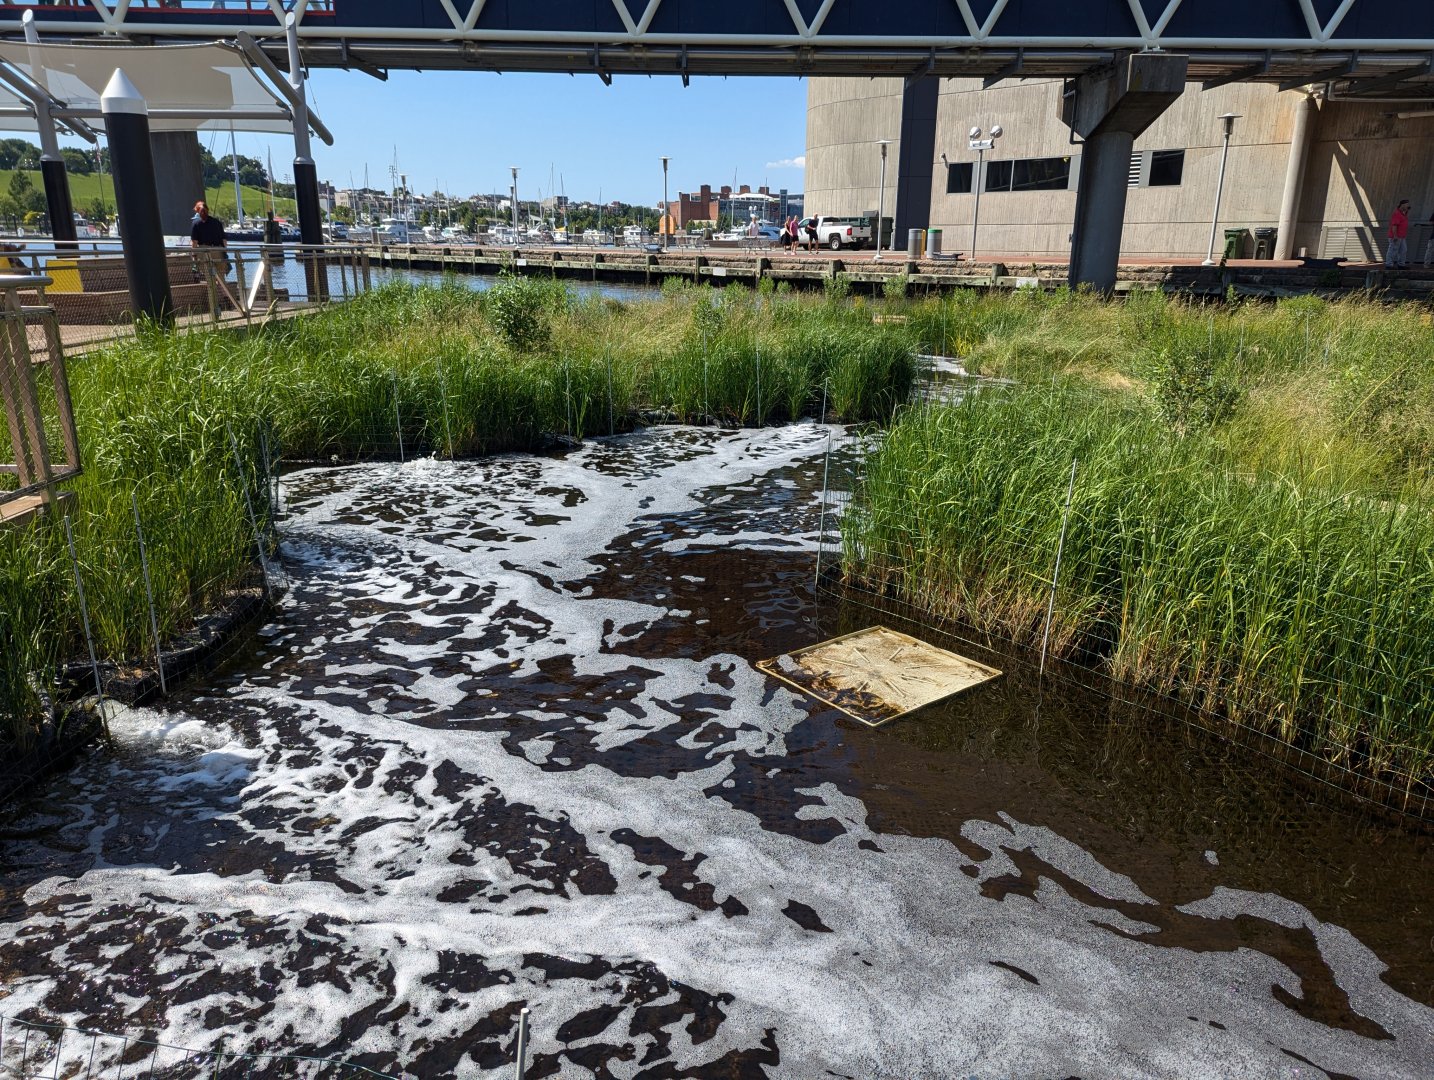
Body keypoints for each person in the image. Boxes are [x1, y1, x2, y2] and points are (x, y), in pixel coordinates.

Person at [1385, 198, 1410, 269]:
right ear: (1402, 205)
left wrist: (1406, 211)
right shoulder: (1397, 214)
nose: (1408, 207)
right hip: (1396, 236)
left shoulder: (1403, 214)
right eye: (1407, 205)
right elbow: (1394, 225)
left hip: (1402, 236)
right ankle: (1389, 264)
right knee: (1393, 250)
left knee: (1403, 250)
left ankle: (1401, 264)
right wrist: (1395, 235)